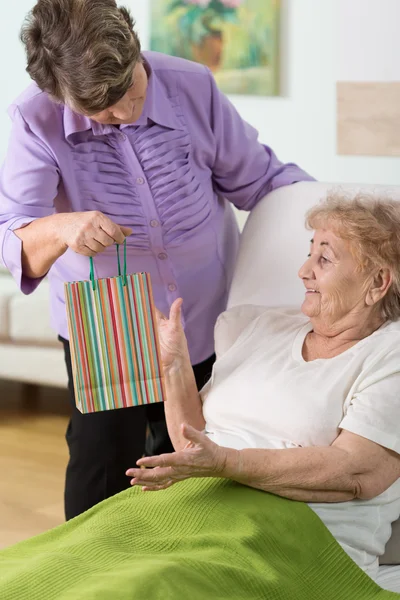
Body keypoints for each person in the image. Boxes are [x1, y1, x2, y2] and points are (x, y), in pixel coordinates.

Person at [0, 0, 313, 520]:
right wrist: (62, 227)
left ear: (136, 51)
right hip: (109, 327)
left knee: (206, 459)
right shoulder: (33, 119)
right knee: (103, 469)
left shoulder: (191, 85)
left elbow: (261, 179)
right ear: (59, 93)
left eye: (131, 95)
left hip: (206, 314)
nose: (124, 114)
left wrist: (335, 220)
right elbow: (16, 241)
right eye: (102, 110)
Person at [1, 193, 400, 600]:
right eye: (308, 253)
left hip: (289, 534)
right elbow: (195, 443)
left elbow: (358, 472)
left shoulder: (389, 354)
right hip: (187, 503)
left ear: (377, 282)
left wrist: (228, 463)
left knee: (137, 586)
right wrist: (172, 365)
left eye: (324, 259)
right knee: (39, 568)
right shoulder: (261, 327)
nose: (303, 271)